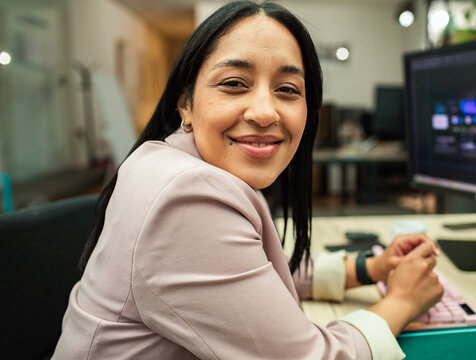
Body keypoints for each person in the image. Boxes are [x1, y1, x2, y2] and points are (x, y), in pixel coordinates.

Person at [53, 1, 443, 359]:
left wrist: (368, 268)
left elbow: (242, 274)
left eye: (288, 90)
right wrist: (402, 301)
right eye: (234, 83)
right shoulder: (185, 198)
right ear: (184, 102)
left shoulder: (165, 159)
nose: (264, 112)